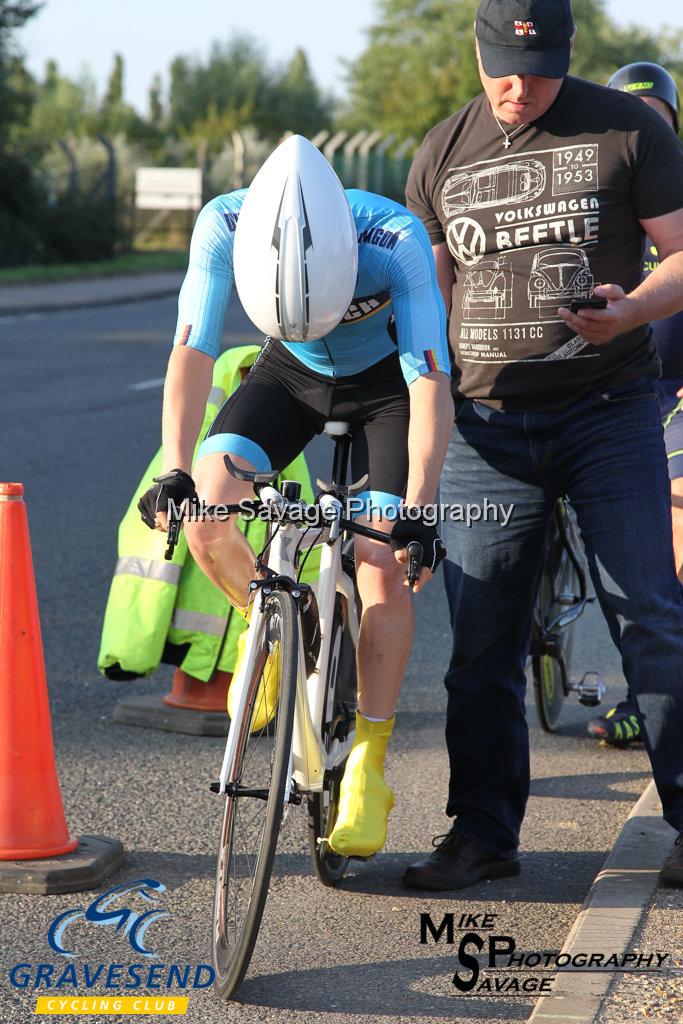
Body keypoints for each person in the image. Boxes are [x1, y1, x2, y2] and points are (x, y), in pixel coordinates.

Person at [403, 0, 683, 890]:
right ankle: (482, 834)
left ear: (567, 53)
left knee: (650, 616)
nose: (517, 86)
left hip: (609, 412)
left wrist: (634, 309)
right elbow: (429, 288)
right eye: (501, 67)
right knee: (480, 642)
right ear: (476, 52)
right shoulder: (440, 151)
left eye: (540, 66)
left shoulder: (629, 125)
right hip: (486, 433)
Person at [138, 135, 453, 859]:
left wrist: (420, 512)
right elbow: (192, 350)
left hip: (388, 387)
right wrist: (177, 467)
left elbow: (430, 379)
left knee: (377, 559)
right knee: (208, 515)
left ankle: (370, 759)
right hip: (289, 374)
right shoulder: (223, 223)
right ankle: (275, 624)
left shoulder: (393, 238)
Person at [587, 62, 683, 747]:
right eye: (632, 114)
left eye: (658, 113)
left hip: (675, 394)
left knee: (671, 555)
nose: (646, 125)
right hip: (606, 391)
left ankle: (654, 706)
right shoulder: (598, 196)